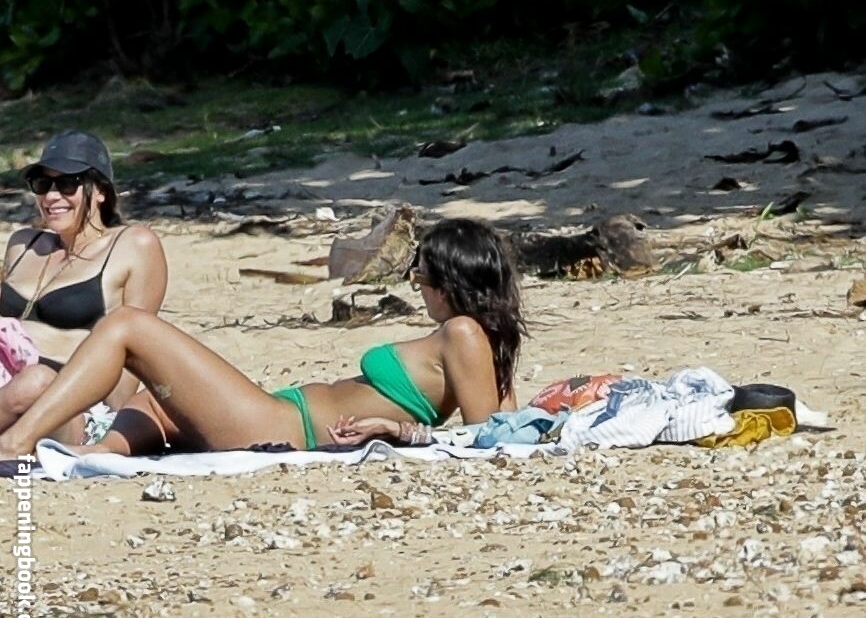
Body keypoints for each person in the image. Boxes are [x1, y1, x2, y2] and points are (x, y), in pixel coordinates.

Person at [0, 218, 525, 458]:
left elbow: (483, 442)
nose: (417, 284)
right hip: (279, 411)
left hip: (281, 426)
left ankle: (18, 442)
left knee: (126, 326)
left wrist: (399, 430)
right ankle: (93, 456)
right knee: (154, 400)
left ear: (452, 281)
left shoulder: (462, 333)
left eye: (423, 274)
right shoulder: (476, 341)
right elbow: (509, 428)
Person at [0, 131, 167, 444]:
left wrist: (42, 342)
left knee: (37, 381)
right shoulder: (23, 244)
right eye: (42, 184)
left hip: (73, 410)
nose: (51, 196)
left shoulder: (133, 245)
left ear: (100, 190)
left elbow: (131, 363)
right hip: (6, 392)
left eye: (67, 183)